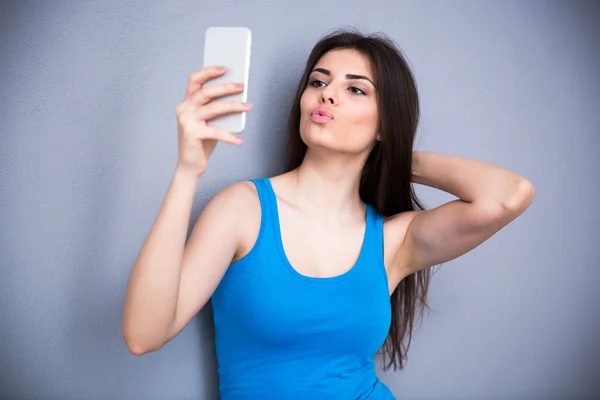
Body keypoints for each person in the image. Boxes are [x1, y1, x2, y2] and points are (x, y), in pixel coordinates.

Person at [121, 29, 535, 399]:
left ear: (384, 122)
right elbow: (143, 335)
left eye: (356, 90)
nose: (327, 94)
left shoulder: (393, 240)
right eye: (318, 81)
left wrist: (390, 151)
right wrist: (187, 170)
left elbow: (509, 195)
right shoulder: (243, 209)